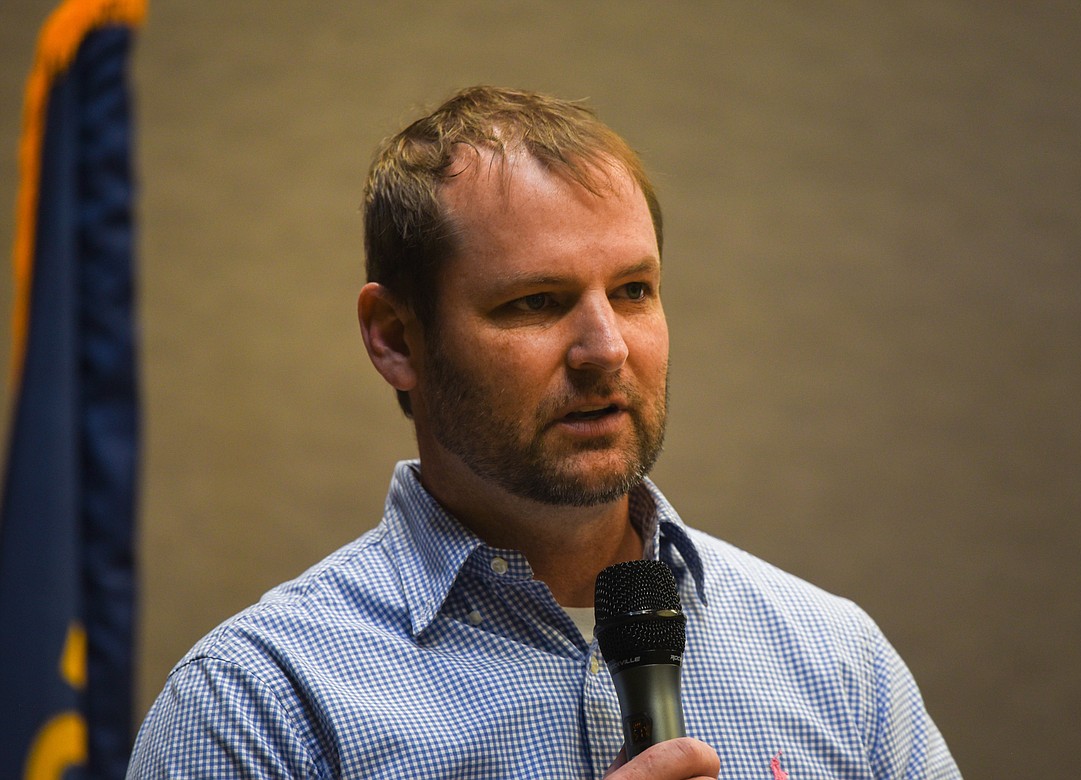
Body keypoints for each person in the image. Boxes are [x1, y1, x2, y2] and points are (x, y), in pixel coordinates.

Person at [128, 86, 961, 779]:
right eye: (534, 302)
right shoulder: (259, 707)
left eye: (634, 291)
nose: (606, 350)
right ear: (394, 337)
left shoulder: (837, 664)